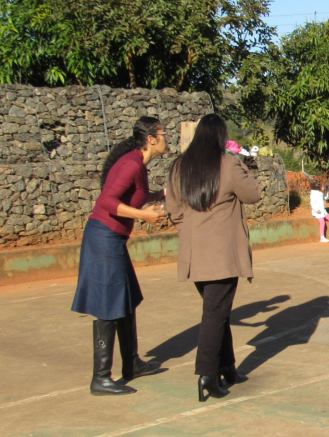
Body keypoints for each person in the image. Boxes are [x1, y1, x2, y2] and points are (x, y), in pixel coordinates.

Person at [165, 114, 262, 402]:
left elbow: (174, 209)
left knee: (218, 310)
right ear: (221, 137)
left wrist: (192, 232)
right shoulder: (228, 163)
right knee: (214, 313)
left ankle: (227, 367)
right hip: (222, 253)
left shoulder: (179, 166)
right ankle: (207, 373)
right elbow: (253, 194)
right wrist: (241, 161)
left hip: (195, 253)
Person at [71, 116, 167, 395]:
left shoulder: (139, 164)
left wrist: (156, 196)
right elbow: (107, 201)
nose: (166, 138)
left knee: (126, 297)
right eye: (163, 134)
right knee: (108, 305)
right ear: (151, 139)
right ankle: (100, 377)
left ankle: (132, 363)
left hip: (112, 239)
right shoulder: (131, 164)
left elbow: (132, 196)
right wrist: (144, 216)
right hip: (103, 239)